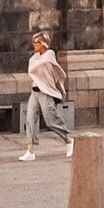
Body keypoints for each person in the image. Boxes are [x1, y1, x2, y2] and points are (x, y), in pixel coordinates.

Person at [19, 29, 72, 159]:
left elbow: (41, 65)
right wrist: (37, 59)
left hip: (46, 92)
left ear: (43, 44)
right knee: (30, 120)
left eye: (36, 43)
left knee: (50, 120)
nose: (34, 45)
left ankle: (68, 140)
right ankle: (30, 151)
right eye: (33, 43)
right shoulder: (34, 58)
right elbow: (31, 69)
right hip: (35, 91)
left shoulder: (49, 54)